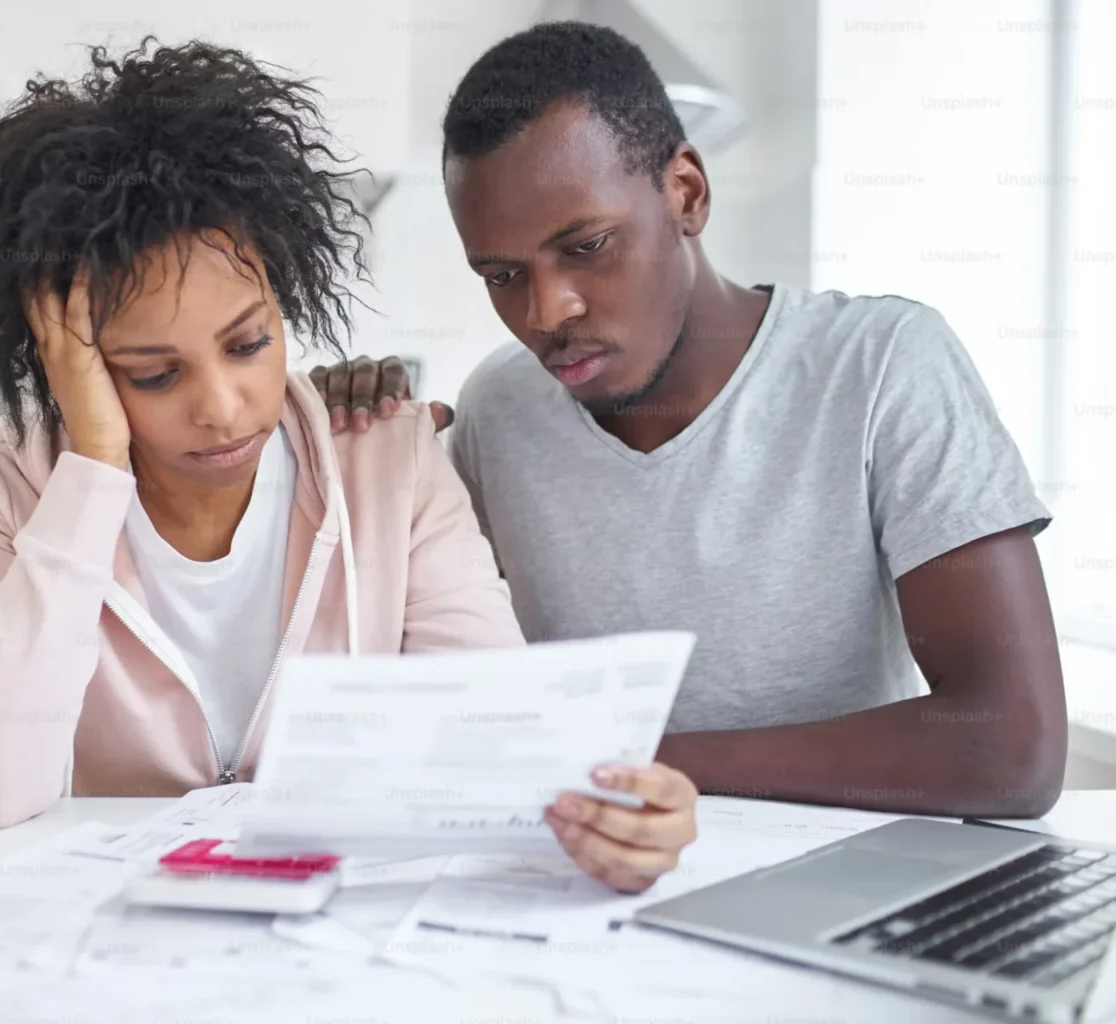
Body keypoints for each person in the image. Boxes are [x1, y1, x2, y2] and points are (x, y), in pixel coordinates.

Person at [0, 39, 697, 891]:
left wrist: (617, 814)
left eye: (247, 343)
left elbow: (488, 734)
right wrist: (94, 467)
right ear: (68, 363)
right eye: (153, 373)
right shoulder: (2, 486)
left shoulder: (383, 459)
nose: (222, 403)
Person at [314, 22, 1066, 818]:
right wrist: (342, 446)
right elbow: (432, 686)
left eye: (588, 246)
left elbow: (1013, 747)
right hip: (580, 886)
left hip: (833, 882)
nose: (546, 312)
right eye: (502, 276)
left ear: (686, 194)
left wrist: (627, 767)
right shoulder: (498, 410)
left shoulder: (882, 366)